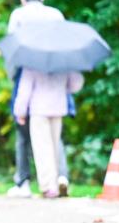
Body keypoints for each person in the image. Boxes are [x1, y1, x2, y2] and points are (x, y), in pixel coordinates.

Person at [5, 0, 72, 198]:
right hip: (58, 74)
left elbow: (12, 50)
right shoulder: (56, 15)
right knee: (55, 136)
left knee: (24, 132)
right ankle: (61, 176)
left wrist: (12, 76)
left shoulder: (18, 15)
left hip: (27, 72)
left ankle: (23, 181)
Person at [13, 68, 84, 199]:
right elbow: (76, 85)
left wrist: (20, 112)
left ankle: (48, 187)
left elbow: (24, 90)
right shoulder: (63, 62)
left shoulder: (32, 64)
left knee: (42, 149)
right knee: (55, 147)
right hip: (58, 109)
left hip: (39, 111)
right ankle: (58, 180)